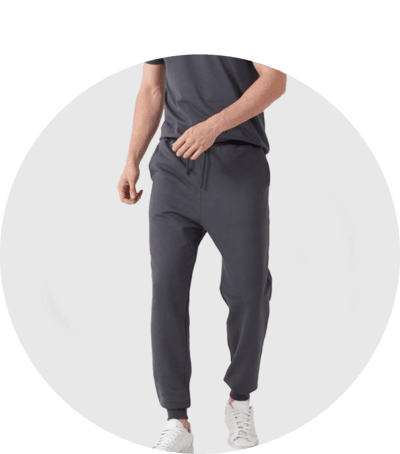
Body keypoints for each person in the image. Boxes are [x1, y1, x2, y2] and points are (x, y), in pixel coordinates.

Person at [118, 54, 286, 452]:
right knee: (167, 290)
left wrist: (214, 125)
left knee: (249, 291)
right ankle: (176, 419)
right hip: (174, 167)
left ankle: (239, 401)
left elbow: (275, 80)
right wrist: (131, 159)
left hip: (238, 164)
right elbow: (151, 89)